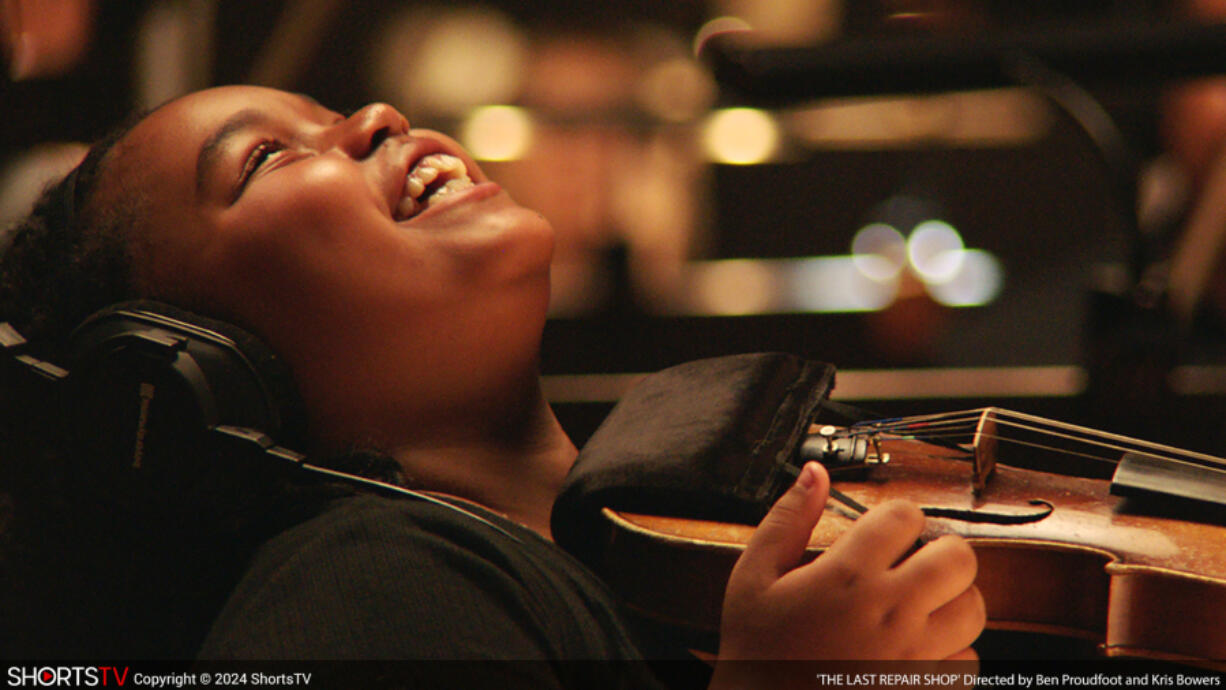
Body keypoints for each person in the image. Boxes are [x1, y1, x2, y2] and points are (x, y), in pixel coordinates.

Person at [0, 85, 983, 685]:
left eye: (331, 112)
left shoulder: (615, 552)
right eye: (264, 158)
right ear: (196, 377)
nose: (374, 119)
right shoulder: (372, 596)